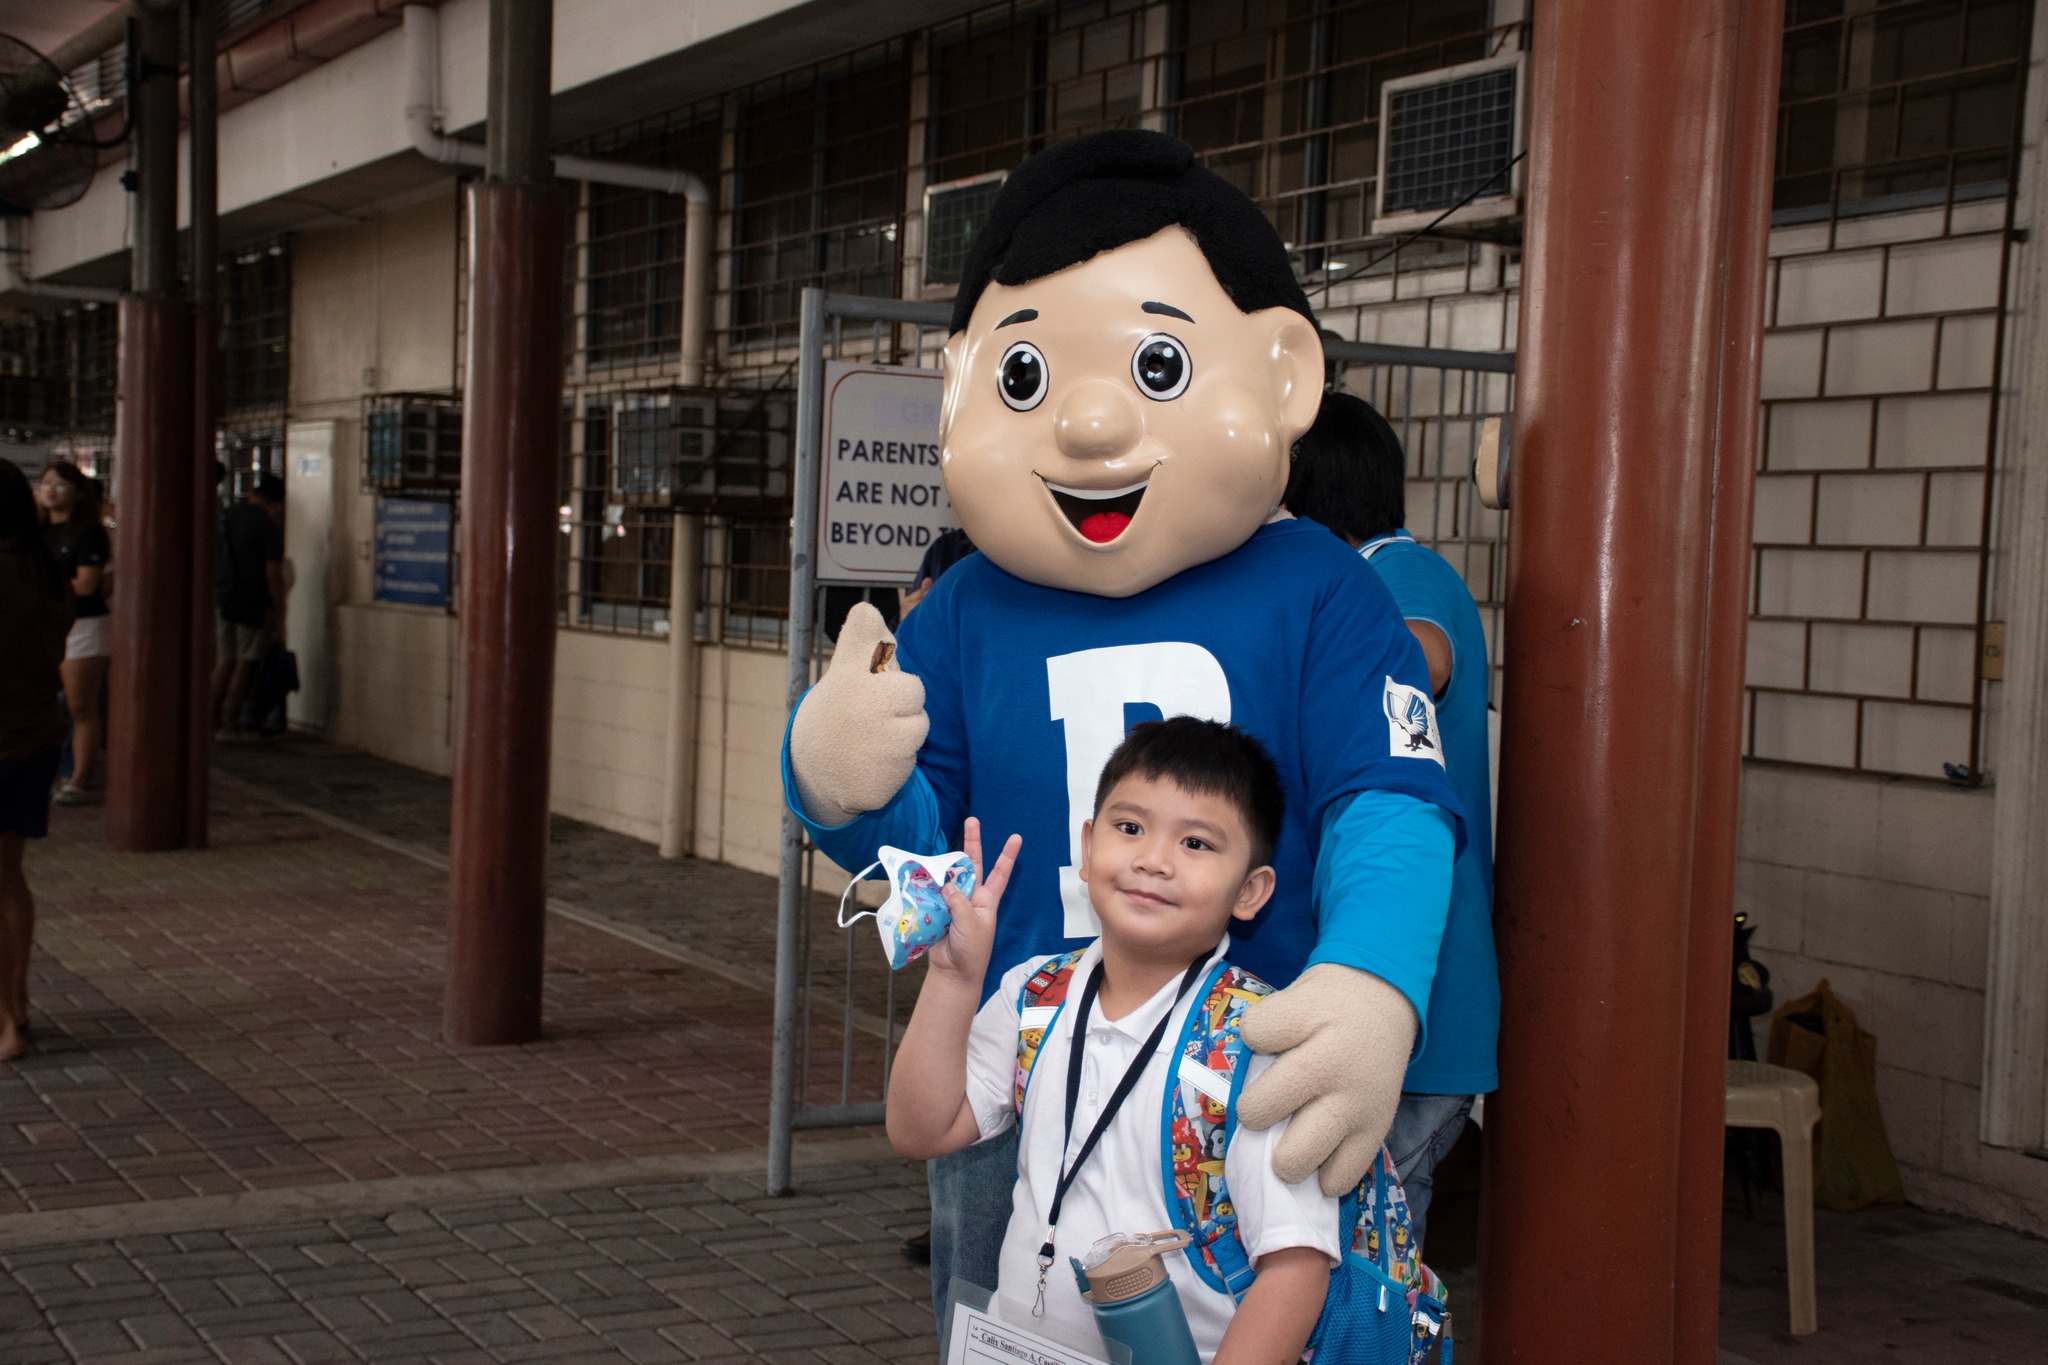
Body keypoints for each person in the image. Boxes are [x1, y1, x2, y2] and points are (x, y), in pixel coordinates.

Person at [782, 131, 1462, 1323]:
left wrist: (1370, 980)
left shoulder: (1317, 589)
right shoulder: (967, 610)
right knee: (1006, 1314)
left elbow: (1387, 803)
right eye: (1025, 380)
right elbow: (923, 858)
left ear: (1284, 375)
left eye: (1157, 366)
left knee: (1262, 1315)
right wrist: (841, 787)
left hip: (1239, 1073)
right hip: (1017, 1065)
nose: (1089, 431)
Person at [889, 719, 1337, 1360]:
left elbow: (1296, 1267)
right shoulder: (1033, 994)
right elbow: (920, 1129)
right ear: (1088, 842)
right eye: (1130, 829)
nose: (1153, 859)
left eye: (1197, 844)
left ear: (1250, 891)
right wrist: (954, 981)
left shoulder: (1258, 1040)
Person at [1283, 390, 1498, 1248]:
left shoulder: (1398, 577)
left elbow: (1420, 660)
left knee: (1367, 1252)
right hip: (1386, 982)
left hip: (1418, 988)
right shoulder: (1371, 574)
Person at [0, 461, 75, 1061]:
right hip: (38, 733)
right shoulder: (47, 569)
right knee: (9, 876)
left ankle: (4, 1023)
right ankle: (18, 1002)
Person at [35, 462, 111, 805]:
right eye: (46, 483)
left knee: (80, 706)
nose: (51, 489)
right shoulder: (34, 531)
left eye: (61, 484)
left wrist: (39, 586)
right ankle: (48, 774)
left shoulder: (88, 532)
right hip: (42, 625)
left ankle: (78, 779)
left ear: (79, 494)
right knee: (43, 704)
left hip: (83, 625)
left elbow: (87, 584)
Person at [212, 474, 286, 742]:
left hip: (223, 593)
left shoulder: (227, 515)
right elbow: (273, 574)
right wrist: (279, 612)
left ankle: (211, 721)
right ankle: (231, 725)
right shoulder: (267, 526)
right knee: (246, 659)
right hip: (251, 599)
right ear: (274, 501)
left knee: (225, 660)